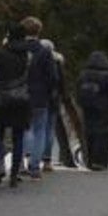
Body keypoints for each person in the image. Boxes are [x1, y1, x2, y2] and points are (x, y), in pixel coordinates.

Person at [0, 25, 32, 187]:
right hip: (22, 100)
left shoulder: (2, 53)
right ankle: (14, 174)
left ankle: (0, 167)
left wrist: (2, 82)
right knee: (18, 136)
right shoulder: (28, 55)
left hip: (2, 99)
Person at [20, 17, 57, 179]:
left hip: (20, 93)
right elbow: (52, 76)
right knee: (39, 130)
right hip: (40, 95)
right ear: (38, 32)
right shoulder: (44, 51)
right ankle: (35, 165)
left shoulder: (17, 48)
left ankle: (21, 160)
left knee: (23, 129)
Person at [76, 51, 108, 170]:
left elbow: (78, 92)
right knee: (103, 135)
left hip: (87, 108)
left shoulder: (83, 75)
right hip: (104, 109)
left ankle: (89, 160)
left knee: (89, 133)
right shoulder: (107, 76)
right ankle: (100, 161)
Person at [40, 38, 66, 173]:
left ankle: (30, 159)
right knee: (49, 130)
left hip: (38, 99)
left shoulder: (35, 59)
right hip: (53, 100)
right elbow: (61, 82)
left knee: (36, 129)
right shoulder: (57, 62)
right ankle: (47, 160)